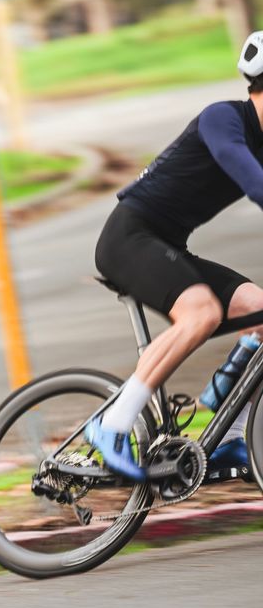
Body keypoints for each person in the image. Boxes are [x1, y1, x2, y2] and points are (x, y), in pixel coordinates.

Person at [87, 31, 263, 481]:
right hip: (129, 236)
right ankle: (111, 425)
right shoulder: (223, 119)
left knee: (260, 311)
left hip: (167, 245)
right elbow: (250, 179)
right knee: (200, 312)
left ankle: (228, 435)